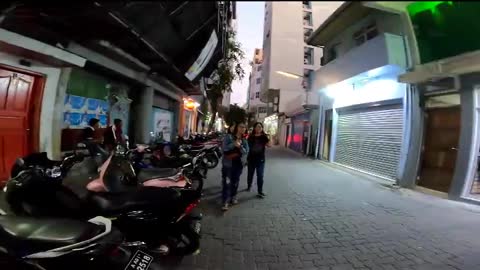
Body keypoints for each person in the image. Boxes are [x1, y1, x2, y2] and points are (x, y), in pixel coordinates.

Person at [221, 122, 249, 211]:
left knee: (235, 181)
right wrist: (233, 144)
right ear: (237, 127)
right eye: (241, 126)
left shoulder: (244, 139)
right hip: (228, 164)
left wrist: (240, 146)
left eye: (244, 127)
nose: (243, 129)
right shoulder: (228, 137)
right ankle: (225, 201)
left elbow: (246, 151)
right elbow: (224, 149)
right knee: (227, 183)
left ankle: (233, 196)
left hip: (238, 164)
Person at [247, 122, 271, 198]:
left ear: (262, 128)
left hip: (260, 160)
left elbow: (269, 145)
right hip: (251, 159)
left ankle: (260, 191)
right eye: (257, 127)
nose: (259, 128)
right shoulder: (250, 137)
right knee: (250, 174)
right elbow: (247, 148)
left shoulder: (264, 137)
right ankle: (249, 185)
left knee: (260, 176)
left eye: (260, 127)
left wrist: (270, 138)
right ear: (254, 128)